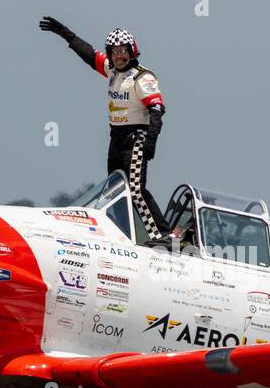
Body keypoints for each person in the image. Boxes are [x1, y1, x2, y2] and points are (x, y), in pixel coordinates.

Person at [38, 16, 171, 241]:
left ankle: (163, 236)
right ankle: (119, 236)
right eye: (115, 51)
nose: (119, 56)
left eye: (123, 51)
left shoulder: (142, 77)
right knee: (115, 190)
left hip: (137, 139)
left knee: (136, 189)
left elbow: (157, 109)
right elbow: (89, 54)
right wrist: (65, 34)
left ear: (132, 51)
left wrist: (151, 141)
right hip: (116, 139)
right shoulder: (112, 71)